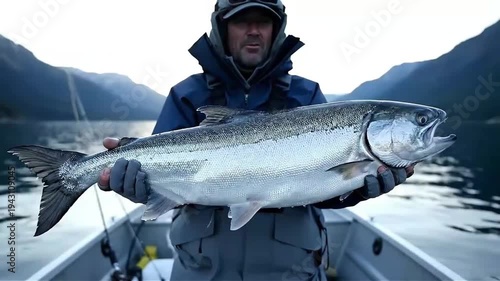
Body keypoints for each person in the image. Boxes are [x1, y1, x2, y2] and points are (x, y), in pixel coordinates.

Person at [98, 0, 414, 280]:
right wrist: (137, 186)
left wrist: (355, 189)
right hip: (202, 269)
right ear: (222, 29)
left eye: (262, 22)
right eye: (241, 21)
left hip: (292, 269)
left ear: (276, 31)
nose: (253, 31)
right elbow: (158, 178)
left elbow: (323, 189)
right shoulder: (187, 94)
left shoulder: (308, 96)